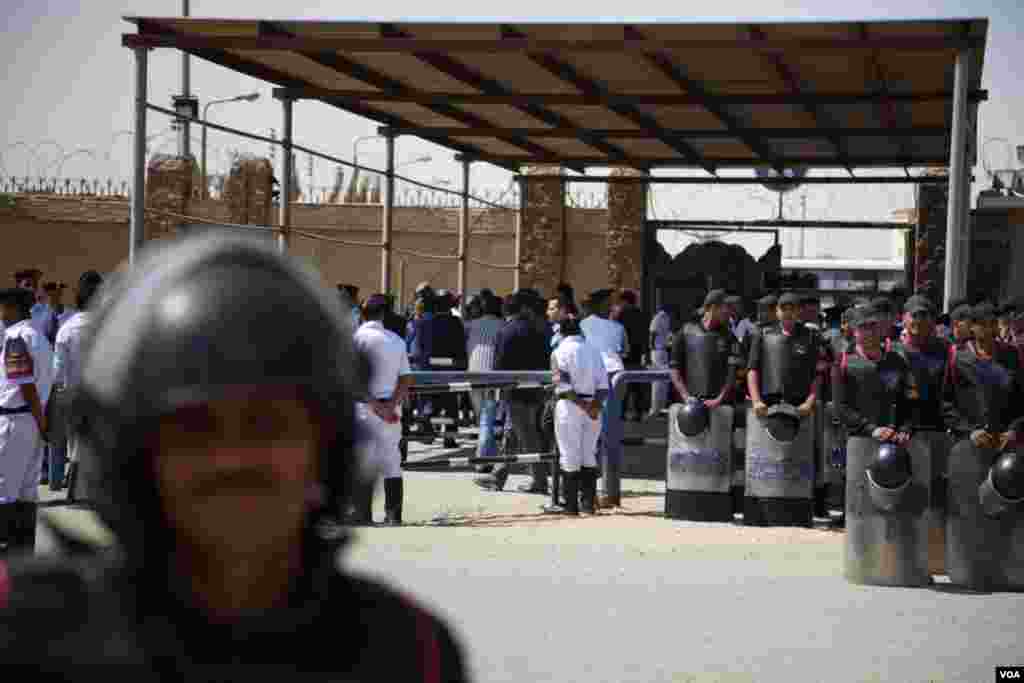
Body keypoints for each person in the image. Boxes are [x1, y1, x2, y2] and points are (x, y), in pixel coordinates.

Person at [0, 234, 469, 679]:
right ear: (127, 448)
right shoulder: (28, 635)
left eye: (268, 425)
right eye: (194, 428)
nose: (232, 458)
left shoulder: (405, 653)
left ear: (329, 445)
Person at [474, 291, 549, 493]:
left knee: (526, 435)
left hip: (514, 391)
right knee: (512, 434)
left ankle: (540, 480)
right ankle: (498, 477)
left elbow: (499, 365)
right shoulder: (538, 329)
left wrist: (496, 387)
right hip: (535, 389)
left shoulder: (506, 331)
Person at [350, 294, 414, 526]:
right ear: (384, 314)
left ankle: (362, 514)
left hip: (363, 407)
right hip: (390, 409)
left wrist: (375, 405)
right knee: (392, 459)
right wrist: (391, 405)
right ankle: (393, 514)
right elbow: (406, 378)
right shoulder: (396, 340)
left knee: (363, 460)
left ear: (362, 314)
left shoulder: (355, 339)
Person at [0, 287, 53, 555]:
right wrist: (41, 422)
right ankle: (22, 557)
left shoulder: (16, 336)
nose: (1, 313)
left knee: (4, 490)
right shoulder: (38, 337)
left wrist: (41, 420)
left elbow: (25, 384)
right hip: (31, 420)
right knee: (26, 493)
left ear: (13, 308)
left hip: (15, 421)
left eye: (3, 307)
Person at [944, 302, 1024, 453]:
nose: (987, 329)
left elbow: (1020, 400)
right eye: (982, 324)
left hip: (1005, 444)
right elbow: (947, 403)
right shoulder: (958, 357)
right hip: (971, 445)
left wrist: (1014, 430)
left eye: (992, 323)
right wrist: (970, 432)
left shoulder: (1012, 355)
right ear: (972, 327)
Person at [52, 271, 104, 499]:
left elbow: (57, 370)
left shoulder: (67, 328)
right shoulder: (108, 324)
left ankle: (74, 490)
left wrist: (57, 393)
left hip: (73, 394)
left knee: (75, 444)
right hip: (102, 393)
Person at [549, 316, 608, 515]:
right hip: (594, 407)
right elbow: (603, 385)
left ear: (561, 332)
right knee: (588, 454)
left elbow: (563, 385)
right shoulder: (594, 352)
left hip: (570, 405)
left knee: (569, 455)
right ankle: (588, 504)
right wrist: (593, 407)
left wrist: (583, 406)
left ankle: (571, 507)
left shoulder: (558, 352)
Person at [580, 289, 628, 506]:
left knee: (593, 433)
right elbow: (624, 351)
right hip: (613, 376)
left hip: (595, 377)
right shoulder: (617, 327)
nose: (613, 306)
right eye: (611, 302)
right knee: (608, 434)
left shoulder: (583, 325)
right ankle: (608, 490)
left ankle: (597, 490)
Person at [747, 292, 824, 420]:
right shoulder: (762, 334)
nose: (788, 313)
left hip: (800, 406)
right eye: (783, 309)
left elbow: (816, 374)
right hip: (767, 405)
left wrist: (809, 403)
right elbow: (752, 370)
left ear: (799, 311)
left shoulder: (811, 336)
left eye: (792, 309)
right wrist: (756, 401)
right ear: (777, 311)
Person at [670, 289, 742, 411]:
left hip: (720, 406)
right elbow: (674, 369)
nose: (730, 312)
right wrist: (686, 397)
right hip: (689, 406)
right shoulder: (685, 332)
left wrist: (719, 400)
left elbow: (732, 374)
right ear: (713, 307)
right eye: (726, 307)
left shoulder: (730, 338)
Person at [466, 291, 505, 471]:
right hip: (492, 376)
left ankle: (484, 457)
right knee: (487, 419)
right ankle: (484, 458)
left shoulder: (471, 325)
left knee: (481, 417)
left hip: (472, 374)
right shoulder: (503, 325)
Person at [618, 290, 649, 421]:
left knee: (622, 384)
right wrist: (645, 352)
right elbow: (645, 335)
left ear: (625, 301)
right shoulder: (641, 314)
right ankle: (638, 412)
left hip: (624, 354)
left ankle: (622, 412)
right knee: (637, 384)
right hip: (637, 353)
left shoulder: (621, 315)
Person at [647, 302, 674, 419]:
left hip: (663, 351)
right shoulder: (658, 318)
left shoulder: (666, 318)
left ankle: (661, 408)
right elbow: (652, 335)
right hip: (657, 351)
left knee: (663, 382)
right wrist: (651, 349)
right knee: (657, 382)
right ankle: (654, 409)